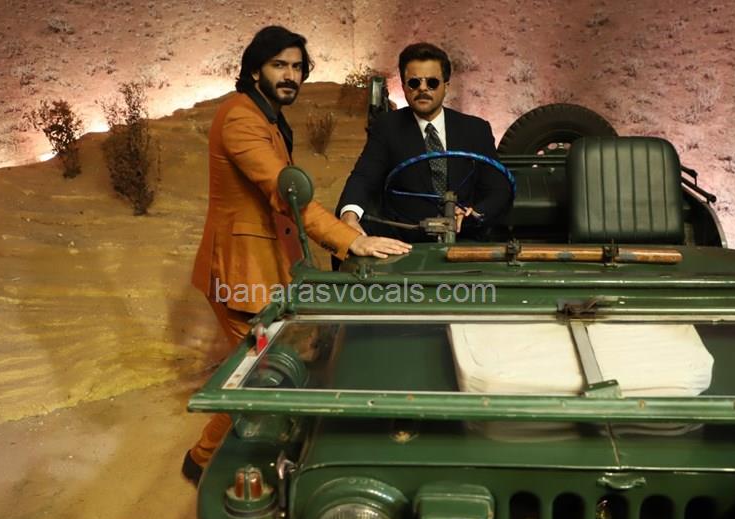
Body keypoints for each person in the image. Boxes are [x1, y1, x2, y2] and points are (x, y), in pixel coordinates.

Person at [182, 26, 411, 484]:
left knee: (266, 367)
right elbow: (287, 194)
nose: (290, 75)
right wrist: (349, 240)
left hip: (265, 266)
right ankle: (203, 460)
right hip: (241, 271)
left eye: (297, 67)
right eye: (279, 65)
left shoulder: (266, 117)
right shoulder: (242, 118)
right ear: (255, 71)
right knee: (260, 372)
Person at [337, 42, 513, 243]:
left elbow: (499, 188)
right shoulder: (387, 127)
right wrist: (349, 217)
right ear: (404, 87)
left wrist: (475, 213)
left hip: (464, 238)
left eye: (432, 82)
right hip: (405, 241)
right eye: (414, 83)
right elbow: (364, 177)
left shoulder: (475, 129)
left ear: (446, 86)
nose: (422, 88)